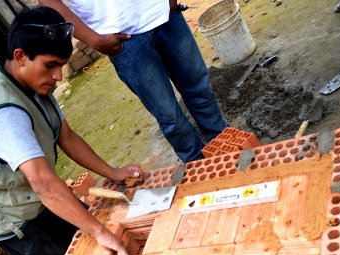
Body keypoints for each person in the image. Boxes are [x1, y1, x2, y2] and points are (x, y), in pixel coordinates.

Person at [0, 6, 143, 255]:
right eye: (50, 65)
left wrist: (114, 173)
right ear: (20, 56)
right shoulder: (4, 114)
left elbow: (68, 137)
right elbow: (42, 182)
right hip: (7, 215)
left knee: (94, 237)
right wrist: (98, 231)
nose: (58, 77)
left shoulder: (33, 83)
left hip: (34, 191)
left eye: (61, 66)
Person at [38, 0, 229, 163]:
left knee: (199, 89)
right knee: (168, 114)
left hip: (164, 14)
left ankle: (226, 144)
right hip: (123, 40)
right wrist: (94, 40)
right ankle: (197, 164)